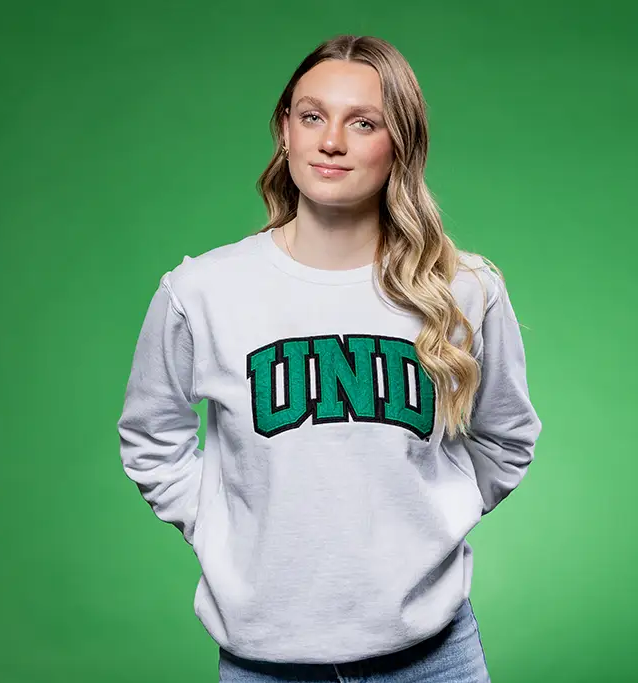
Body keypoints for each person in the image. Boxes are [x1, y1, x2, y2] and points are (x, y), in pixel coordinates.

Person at [117, 34, 542, 683]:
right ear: (285, 131)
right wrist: (220, 528)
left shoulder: (465, 289)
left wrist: (435, 516)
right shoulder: (201, 292)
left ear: (399, 142)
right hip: (267, 662)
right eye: (312, 116)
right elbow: (151, 439)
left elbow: (507, 437)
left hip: (434, 657)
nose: (331, 141)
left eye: (363, 122)